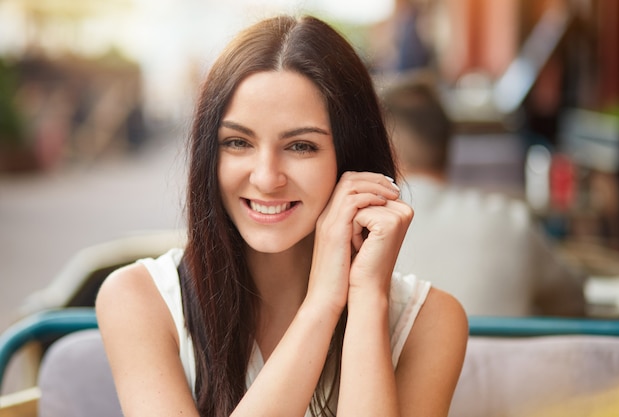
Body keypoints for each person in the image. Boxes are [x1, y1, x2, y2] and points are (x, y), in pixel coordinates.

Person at [95, 15, 468, 417]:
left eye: (301, 146)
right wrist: (322, 303)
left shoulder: (430, 322)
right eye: (238, 142)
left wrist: (365, 299)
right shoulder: (138, 299)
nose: (266, 177)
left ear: (351, 158)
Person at [381, 74, 587, 317]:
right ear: (449, 144)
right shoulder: (511, 220)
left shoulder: (365, 225)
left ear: (387, 149)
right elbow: (573, 300)